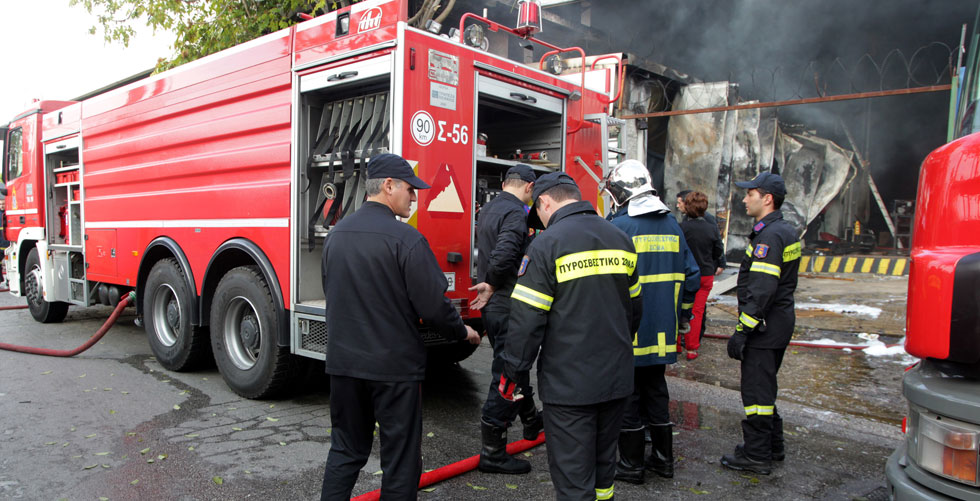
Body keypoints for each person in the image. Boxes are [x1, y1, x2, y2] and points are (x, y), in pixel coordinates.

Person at [320, 153, 481, 500]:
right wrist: (462, 333)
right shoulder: (407, 239)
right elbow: (433, 307)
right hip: (393, 369)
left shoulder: (336, 235)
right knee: (401, 461)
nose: (414, 197)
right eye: (410, 189)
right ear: (388, 186)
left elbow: (332, 291)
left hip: (344, 365)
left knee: (346, 450)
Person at [500, 172, 642, 501]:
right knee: (603, 469)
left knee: (573, 477)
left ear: (546, 202)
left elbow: (526, 322)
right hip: (617, 379)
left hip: (570, 387)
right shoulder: (620, 238)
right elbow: (634, 311)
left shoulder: (547, 244)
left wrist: (513, 373)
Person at [603, 160, 700, 484]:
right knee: (656, 391)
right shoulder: (673, 225)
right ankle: (663, 460)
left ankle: (630, 465)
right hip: (662, 332)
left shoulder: (620, 228)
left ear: (620, 193)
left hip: (628, 333)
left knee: (628, 394)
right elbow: (692, 276)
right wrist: (683, 316)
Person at [720, 172, 800, 476]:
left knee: (756, 394)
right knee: (765, 387)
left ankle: (756, 455)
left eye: (749, 193)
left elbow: (763, 290)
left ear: (767, 198)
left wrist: (743, 330)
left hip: (765, 327)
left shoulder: (770, 236)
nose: (744, 199)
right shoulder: (783, 230)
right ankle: (771, 445)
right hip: (777, 323)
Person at [468, 164, 544, 474]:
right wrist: (495, 282)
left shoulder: (490, 207)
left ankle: (530, 420)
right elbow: (505, 252)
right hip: (507, 299)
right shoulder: (517, 212)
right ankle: (493, 452)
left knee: (513, 364)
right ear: (529, 187)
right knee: (506, 372)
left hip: (495, 305)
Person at [679, 191, 726, 360]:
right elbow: (718, 251)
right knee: (696, 312)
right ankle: (692, 349)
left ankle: (676, 344)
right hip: (705, 274)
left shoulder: (681, 228)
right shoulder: (711, 228)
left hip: (684, 273)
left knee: (678, 308)